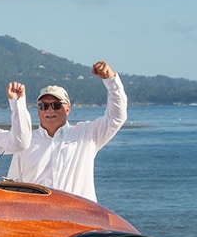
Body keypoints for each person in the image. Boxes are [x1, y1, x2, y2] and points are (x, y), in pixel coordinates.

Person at [7, 61, 127, 201]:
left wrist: (110, 79)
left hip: (80, 217)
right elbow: (12, 186)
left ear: (68, 109)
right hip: (39, 218)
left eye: (56, 105)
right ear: (38, 111)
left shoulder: (86, 134)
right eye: (44, 106)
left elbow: (117, 116)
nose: (50, 110)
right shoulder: (26, 143)